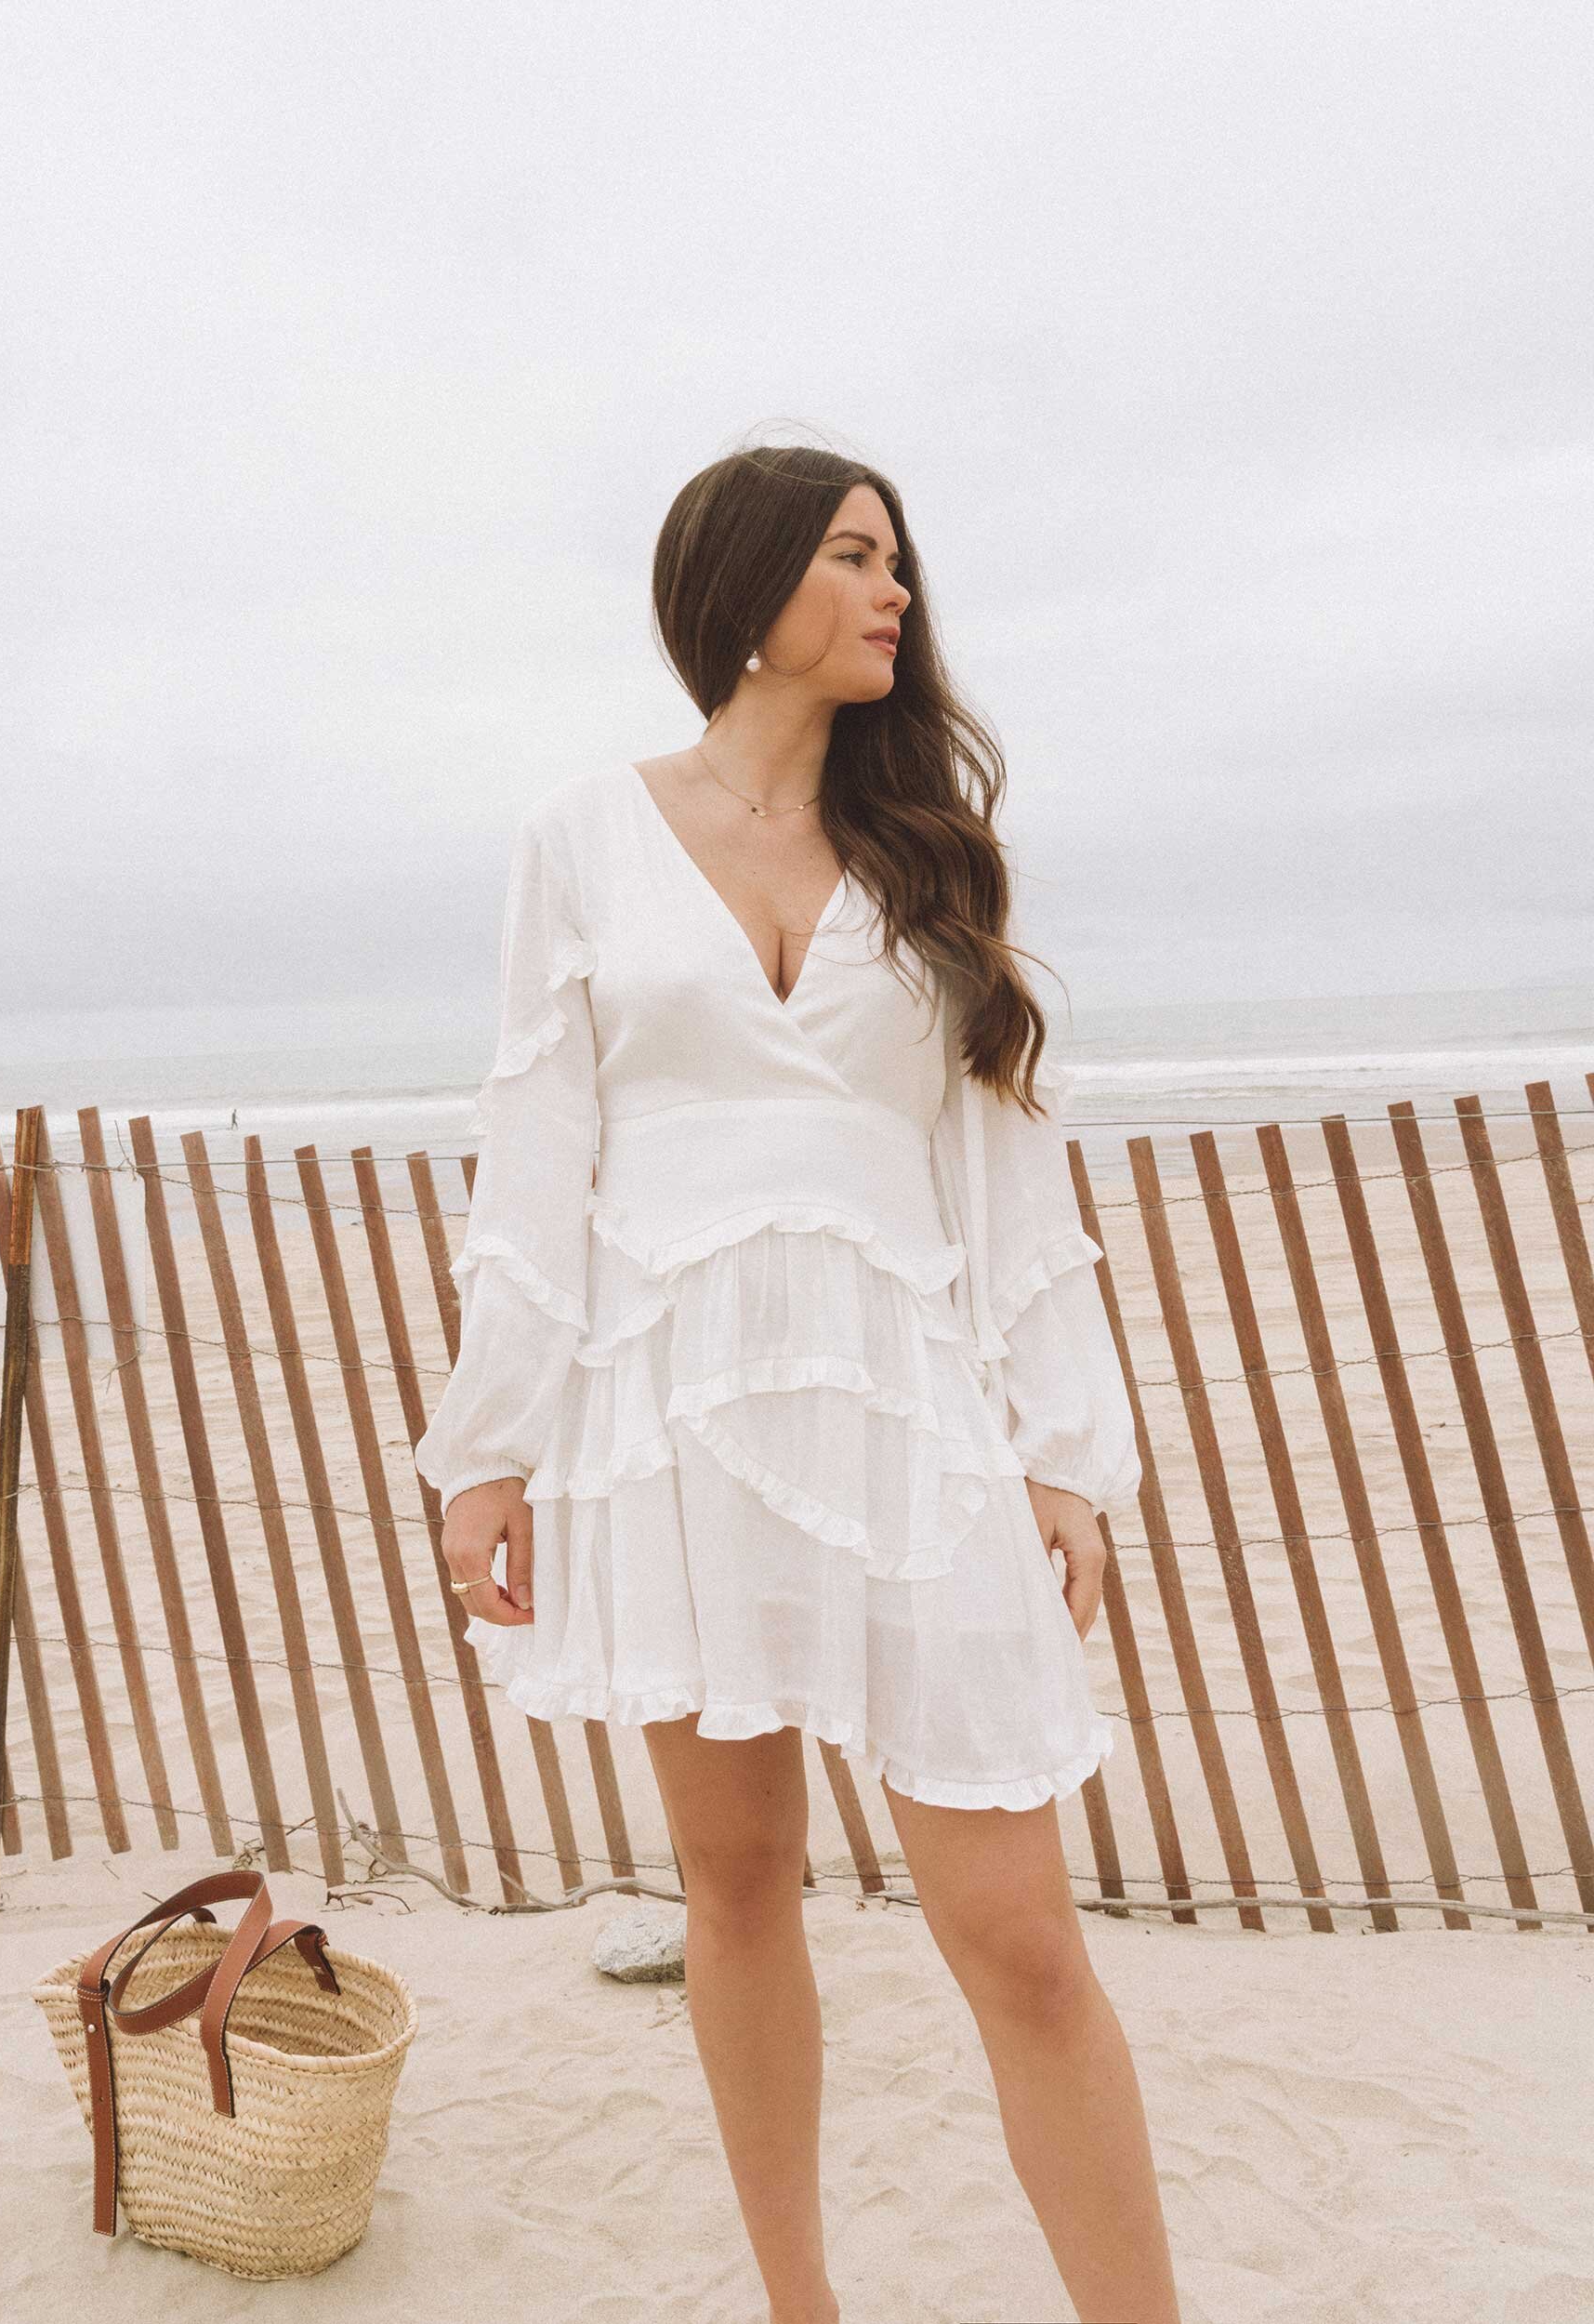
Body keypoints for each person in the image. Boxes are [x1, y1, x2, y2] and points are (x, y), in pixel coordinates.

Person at [414, 443, 1182, 2324]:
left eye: (894, 559)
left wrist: (1065, 1450)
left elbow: (1007, 1170)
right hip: (667, 1404)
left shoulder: (933, 859)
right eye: (852, 556)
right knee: (731, 1879)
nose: (893, 590)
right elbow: (537, 1148)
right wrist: (489, 1441)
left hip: (902, 1400)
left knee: (1015, 1932)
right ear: (745, 587)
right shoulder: (581, 836)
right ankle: (797, 2301)